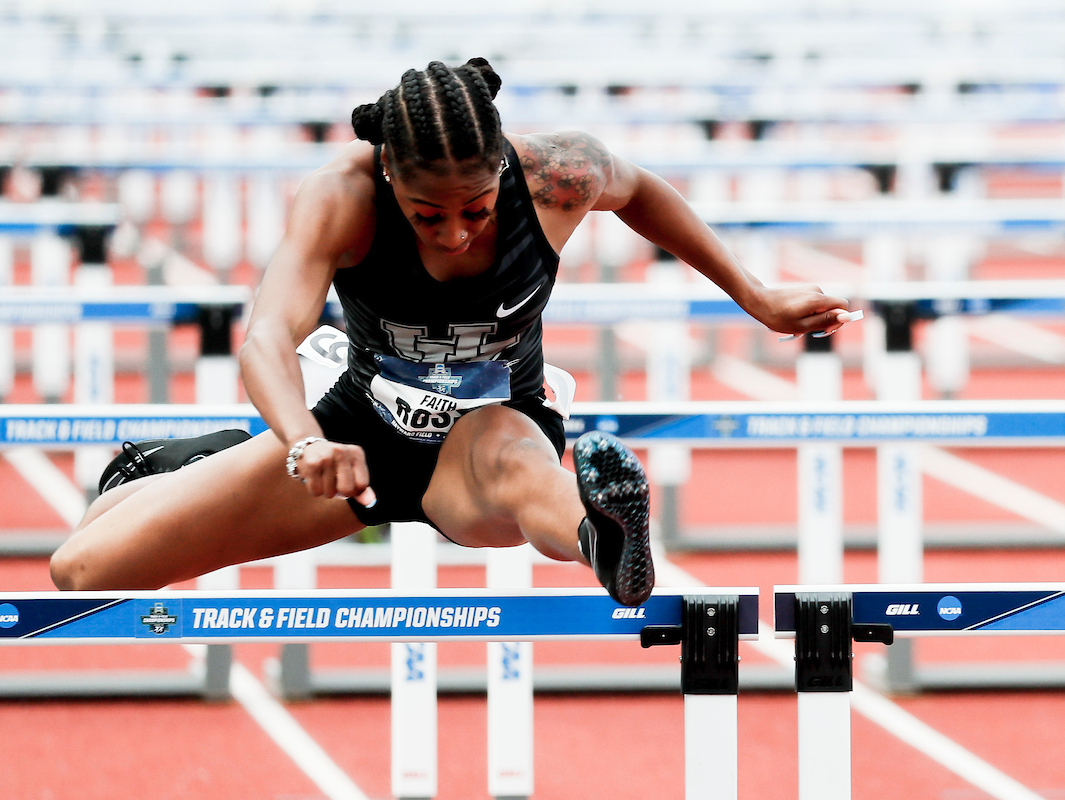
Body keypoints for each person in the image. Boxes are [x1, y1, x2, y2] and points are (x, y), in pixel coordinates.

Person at [49, 58, 854, 606]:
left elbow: (642, 191)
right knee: (81, 567)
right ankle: (209, 455)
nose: (456, 233)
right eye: (427, 215)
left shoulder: (556, 174)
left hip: (490, 434)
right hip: (357, 438)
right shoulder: (341, 195)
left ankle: (603, 537)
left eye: (474, 208)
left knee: (517, 467)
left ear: (503, 170)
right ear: (389, 175)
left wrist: (754, 295)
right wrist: (302, 443)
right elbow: (267, 335)